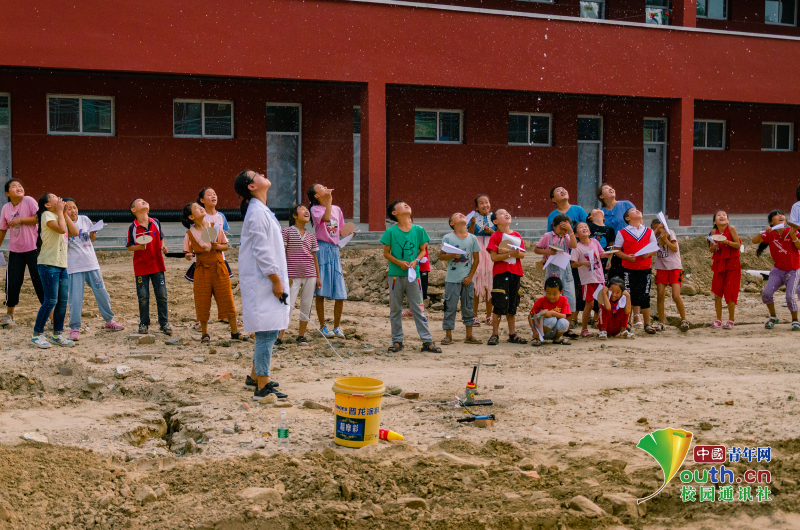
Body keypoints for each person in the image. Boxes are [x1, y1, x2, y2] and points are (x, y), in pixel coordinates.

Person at [235, 169, 288, 400]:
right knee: (267, 332)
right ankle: (262, 387)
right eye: (255, 174)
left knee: (270, 327)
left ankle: (255, 375)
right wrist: (275, 279)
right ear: (251, 186)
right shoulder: (256, 212)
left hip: (266, 279)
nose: (262, 174)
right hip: (263, 280)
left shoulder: (261, 210)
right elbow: (261, 249)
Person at [182, 202, 248, 344]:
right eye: (196, 208)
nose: (200, 208)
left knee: (226, 298)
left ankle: (235, 331)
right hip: (201, 268)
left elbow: (225, 246)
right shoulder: (189, 234)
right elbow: (188, 253)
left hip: (219, 266)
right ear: (191, 217)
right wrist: (188, 256)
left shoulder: (216, 228)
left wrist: (217, 246)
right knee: (202, 300)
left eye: (200, 207)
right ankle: (205, 333)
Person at [380, 200, 441, 353]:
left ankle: (427, 341)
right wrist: (399, 263)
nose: (406, 205)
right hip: (395, 275)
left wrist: (416, 261)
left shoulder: (419, 230)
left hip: (414, 276)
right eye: (401, 204)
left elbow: (422, 250)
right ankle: (397, 341)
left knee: (419, 307)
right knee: (395, 309)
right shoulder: (391, 232)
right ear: (394, 213)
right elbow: (386, 253)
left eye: (407, 203)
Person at [64, 198, 124, 340]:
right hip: (74, 266)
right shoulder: (63, 223)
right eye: (69, 208)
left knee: (101, 292)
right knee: (75, 298)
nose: (73, 211)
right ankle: (74, 327)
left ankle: (109, 320)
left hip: (91, 263)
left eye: (74, 207)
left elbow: (91, 239)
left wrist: (93, 234)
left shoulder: (84, 219)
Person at [31, 193, 79, 348]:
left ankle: (57, 334)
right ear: (47, 204)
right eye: (53, 197)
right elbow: (60, 230)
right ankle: (37, 334)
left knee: (62, 301)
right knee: (50, 300)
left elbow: (75, 232)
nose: (58, 197)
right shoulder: (46, 215)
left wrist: (64, 213)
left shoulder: (59, 215)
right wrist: (60, 213)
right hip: (48, 263)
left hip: (61, 264)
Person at [0, 179, 44, 328]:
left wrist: (20, 220)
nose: (18, 188)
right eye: (14, 186)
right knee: (12, 283)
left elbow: (39, 218)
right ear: (7, 193)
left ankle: (51, 317)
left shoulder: (29, 201)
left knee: (40, 282)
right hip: (15, 251)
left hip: (34, 250)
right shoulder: (5, 208)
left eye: (20, 186)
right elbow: (2, 229)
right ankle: (9, 315)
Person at [126, 198, 172, 336]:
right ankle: (144, 323)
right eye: (139, 201)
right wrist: (139, 247)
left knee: (162, 295)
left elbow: (161, 236)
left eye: (145, 200)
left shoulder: (155, 222)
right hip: (141, 268)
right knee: (143, 297)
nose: (144, 201)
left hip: (157, 265)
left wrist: (163, 245)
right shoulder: (132, 227)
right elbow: (129, 247)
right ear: (133, 210)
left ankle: (164, 322)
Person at [308, 184, 347, 339]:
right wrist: (329, 202)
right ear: (316, 196)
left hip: (335, 249)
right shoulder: (315, 209)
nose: (325, 187)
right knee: (321, 290)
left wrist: (350, 233)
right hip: (322, 249)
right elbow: (325, 219)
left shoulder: (337, 209)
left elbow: (341, 229)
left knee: (340, 291)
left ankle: (337, 327)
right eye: (321, 187)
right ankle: (323, 326)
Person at [278, 204, 320, 344]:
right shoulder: (287, 232)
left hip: (310, 275)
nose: (306, 211)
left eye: (307, 210)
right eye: (302, 209)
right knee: (287, 305)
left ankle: (301, 335)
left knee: (306, 305)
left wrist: (318, 277)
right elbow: (282, 254)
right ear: (294, 216)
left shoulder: (311, 236)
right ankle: (279, 336)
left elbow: (314, 257)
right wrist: (283, 275)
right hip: (292, 276)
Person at [547, 186, 588, 329]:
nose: (563, 191)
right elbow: (549, 237)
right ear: (553, 199)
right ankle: (559, 317)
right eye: (558, 191)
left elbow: (585, 229)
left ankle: (573, 319)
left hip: (577, 253)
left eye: (564, 189)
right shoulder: (552, 215)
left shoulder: (579, 210)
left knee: (577, 286)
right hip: (560, 257)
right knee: (563, 286)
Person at [752, 210, 800, 331]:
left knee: (790, 297)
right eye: (777, 215)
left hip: (793, 270)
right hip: (778, 270)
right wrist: (763, 231)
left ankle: (795, 320)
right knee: (766, 294)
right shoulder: (770, 233)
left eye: (782, 215)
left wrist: (794, 237)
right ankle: (773, 317)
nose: (780, 216)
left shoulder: (791, 230)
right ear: (771, 222)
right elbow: (754, 241)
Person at [486, 209, 527, 346]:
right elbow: (494, 257)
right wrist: (510, 254)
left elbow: (522, 254)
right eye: (502, 213)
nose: (507, 213)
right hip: (501, 273)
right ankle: (495, 334)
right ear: (495, 221)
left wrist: (512, 252)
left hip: (515, 272)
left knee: (512, 304)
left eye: (507, 212)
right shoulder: (496, 236)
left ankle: (512, 333)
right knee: (498, 303)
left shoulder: (516, 235)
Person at [439, 212, 481, 345]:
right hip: (452, 279)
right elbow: (441, 256)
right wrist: (452, 255)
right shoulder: (448, 238)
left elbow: (476, 260)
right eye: (457, 215)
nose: (462, 215)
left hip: (467, 280)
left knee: (468, 307)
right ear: (452, 223)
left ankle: (469, 335)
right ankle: (448, 335)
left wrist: (470, 276)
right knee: (450, 306)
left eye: (462, 214)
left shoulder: (472, 238)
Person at [615, 208, 658, 334]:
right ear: (627, 218)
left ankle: (647, 323)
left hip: (645, 267)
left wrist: (648, 254)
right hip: (628, 268)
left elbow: (655, 247)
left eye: (637, 210)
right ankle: (627, 322)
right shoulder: (622, 232)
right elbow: (617, 250)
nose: (637, 211)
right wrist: (627, 257)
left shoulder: (649, 231)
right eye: (633, 210)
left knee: (645, 295)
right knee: (628, 295)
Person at [534, 213, 578, 334]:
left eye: (566, 229)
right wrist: (548, 251)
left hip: (566, 269)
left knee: (569, 298)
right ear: (554, 226)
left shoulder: (567, 237)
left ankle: (566, 328)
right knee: (552, 297)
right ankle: (548, 325)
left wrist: (571, 231)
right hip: (552, 268)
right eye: (562, 228)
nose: (563, 231)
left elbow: (574, 246)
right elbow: (536, 249)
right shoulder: (547, 236)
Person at [570, 222, 608, 337]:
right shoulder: (577, 248)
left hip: (600, 278)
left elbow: (601, 254)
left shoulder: (595, 242)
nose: (584, 228)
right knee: (589, 304)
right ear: (576, 234)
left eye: (586, 227)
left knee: (602, 303)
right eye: (581, 227)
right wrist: (582, 263)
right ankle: (584, 329)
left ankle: (602, 327)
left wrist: (608, 255)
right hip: (588, 280)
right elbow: (573, 264)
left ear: (590, 231)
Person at [651, 218, 689, 332]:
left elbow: (674, 248)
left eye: (659, 227)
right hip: (661, 267)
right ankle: (661, 322)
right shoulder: (653, 237)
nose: (657, 230)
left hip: (674, 267)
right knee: (660, 295)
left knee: (675, 295)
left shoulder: (670, 233)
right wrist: (657, 234)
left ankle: (684, 320)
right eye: (654, 228)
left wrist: (665, 239)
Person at [708, 210, 741, 329]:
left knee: (730, 293)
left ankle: (731, 320)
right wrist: (715, 246)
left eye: (724, 215)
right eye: (718, 215)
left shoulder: (731, 228)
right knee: (717, 293)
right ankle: (718, 320)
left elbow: (738, 245)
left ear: (727, 220)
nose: (722, 216)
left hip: (732, 264)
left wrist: (726, 242)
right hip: (719, 264)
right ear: (714, 221)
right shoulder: (713, 232)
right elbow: (711, 249)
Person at [467, 194, 495, 326]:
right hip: (477, 249)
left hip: (490, 250)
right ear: (477, 207)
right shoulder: (473, 217)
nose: (485, 205)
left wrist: (492, 232)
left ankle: (489, 315)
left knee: (490, 284)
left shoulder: (495, 217)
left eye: (487, 202)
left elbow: (501, 233)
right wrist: (472, 223)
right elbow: (469, 234)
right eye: (481, 203)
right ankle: (474, 315)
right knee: (476, 283)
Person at [529, 276, 572, 346]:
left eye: (555, 294)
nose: (551, 296)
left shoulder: (563, 299)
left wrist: (553, 313)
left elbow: (564, 315)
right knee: (552, 320)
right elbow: (530, 315)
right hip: (542, 329)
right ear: (545, 290)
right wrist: (534, 330)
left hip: (554, 330)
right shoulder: (541, 300)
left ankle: (557, 338)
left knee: (564, 322)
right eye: (548, 293)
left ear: (561, 291)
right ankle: (538, 337)